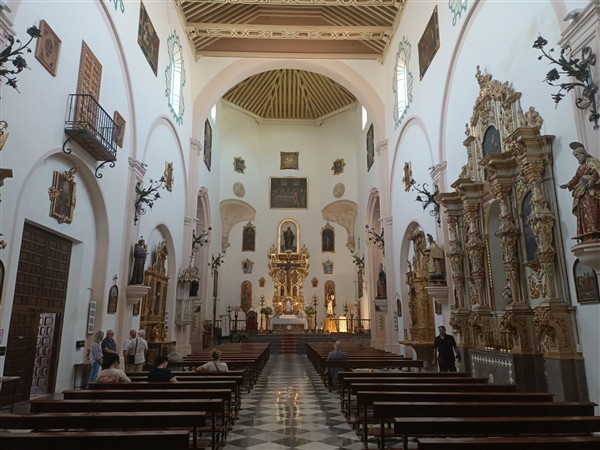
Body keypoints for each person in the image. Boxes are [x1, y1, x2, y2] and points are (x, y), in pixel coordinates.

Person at [560, 142, 600, 242]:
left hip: (591, 192)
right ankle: (587, 233)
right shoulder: (580, 167)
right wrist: (568, 184)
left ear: (583, 153)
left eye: (577, 156)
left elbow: (597, 172)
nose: (577, 158)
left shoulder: (592, 161)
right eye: (576, 157)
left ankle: (594, 230)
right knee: (583, 212)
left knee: (592, 210)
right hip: (581, 193)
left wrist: (592, 180)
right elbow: (576, 178)